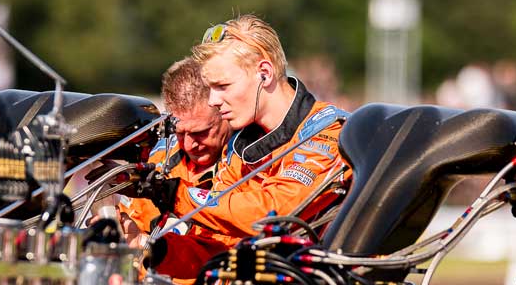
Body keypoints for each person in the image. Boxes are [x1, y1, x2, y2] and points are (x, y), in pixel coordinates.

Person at [155, 16, 348, 262]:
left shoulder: (328, 131)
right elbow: (220, 237)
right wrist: (149, 255)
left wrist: (174, 194)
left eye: (222, 86)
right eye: (210, 88)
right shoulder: (243, 143)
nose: (213, 100)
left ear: (264, 74)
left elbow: (271, 212)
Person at [116, 57, 230, 249]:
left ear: (225, 110)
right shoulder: (157, 159)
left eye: (200, 132)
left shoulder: (250, 161)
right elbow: (131, 228)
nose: (188, 144)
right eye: (178, 133)